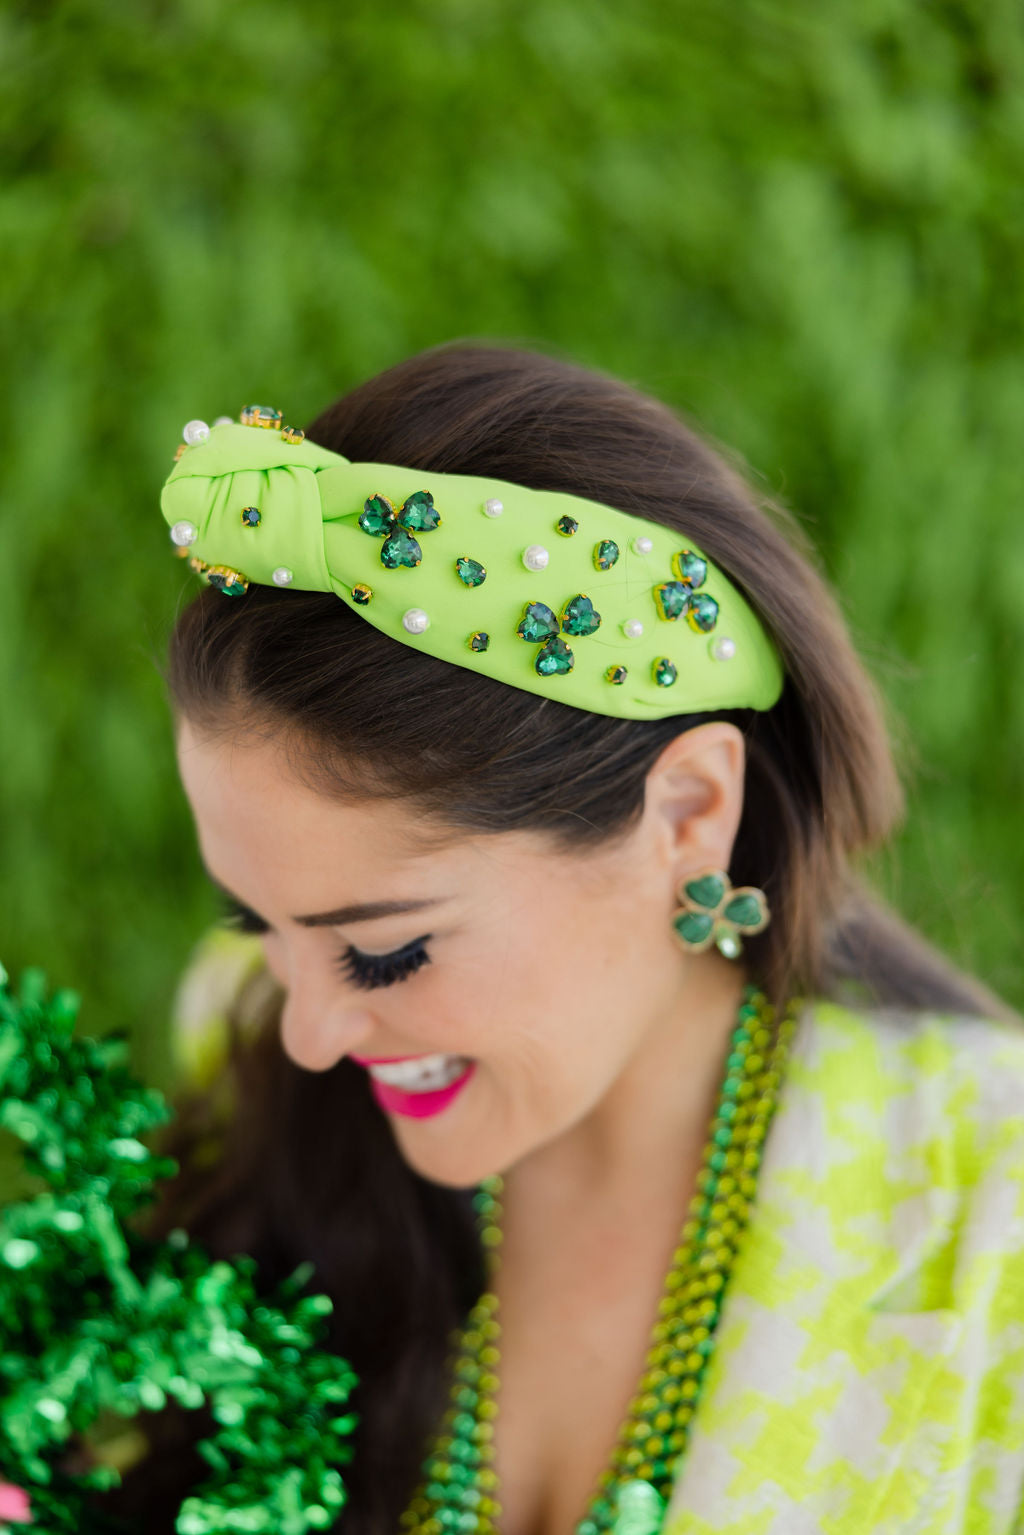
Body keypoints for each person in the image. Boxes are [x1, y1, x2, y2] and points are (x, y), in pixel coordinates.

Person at [98, 341, 1024, 1535]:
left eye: (385, 951)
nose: (313, 1030)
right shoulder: (246, 1036)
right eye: (257, 921)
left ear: (689, 814)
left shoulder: (993, 1213)